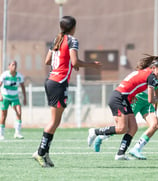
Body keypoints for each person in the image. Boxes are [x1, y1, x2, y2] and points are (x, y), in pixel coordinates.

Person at [32, 16, 101, 168]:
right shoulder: (72, 40)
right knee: (54, 122)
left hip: (50, 80)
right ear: (73, 27)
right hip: (59, 83)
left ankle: (46, 154)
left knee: (54, 121)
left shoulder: (57, 39)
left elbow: (47, 61)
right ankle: (40, 152)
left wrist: (66, 61)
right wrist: (92, 65)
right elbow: (75, 61)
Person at [92, 53, 158, 160]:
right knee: (124, 127)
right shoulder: (151, 74)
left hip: (147, 104)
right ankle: (101, 136)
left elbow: (157, 92)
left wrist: (154, 107)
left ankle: (136, 149)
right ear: (157, 64)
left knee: (155, 125)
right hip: (136, 99)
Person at [0, 61, 27, 140]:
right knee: (3, 115)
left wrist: (25, 98)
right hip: (5, 98)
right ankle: (1, 134)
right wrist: (0, 95)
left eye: (15, 65)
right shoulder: (4, 75)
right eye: (12, 65)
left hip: (15, 98)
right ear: (9, 66)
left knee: (19, 112)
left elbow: (23, 87)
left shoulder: (19, 76)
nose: (14, 66)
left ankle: (17, 133)